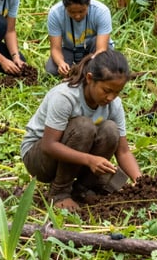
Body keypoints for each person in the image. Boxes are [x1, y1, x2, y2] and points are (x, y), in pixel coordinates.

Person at [21, 50, 142, 211]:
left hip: (75, 154)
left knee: (111, 130)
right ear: (90, 78)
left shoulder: (114, 104)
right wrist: (89, 160)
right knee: (83, 127)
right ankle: (59, 193)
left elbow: (123, 151)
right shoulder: (65, 97)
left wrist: (141, 182)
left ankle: (83, 189)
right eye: (106, 91)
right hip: (39, 159)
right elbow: (49, 145)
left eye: (117, 92)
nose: (111, 97)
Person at [46, 0, 113, 77]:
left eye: (82, 11)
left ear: (88, 4)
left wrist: (86, 66)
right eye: (72, 12)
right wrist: (61, 63)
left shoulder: (101, 11)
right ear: (64, 6)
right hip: (70, 49)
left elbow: (101, 49)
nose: (77, 16)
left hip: (94, 50)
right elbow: (55, 49)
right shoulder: (55, 13)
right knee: (52, 70)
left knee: (101, 68)